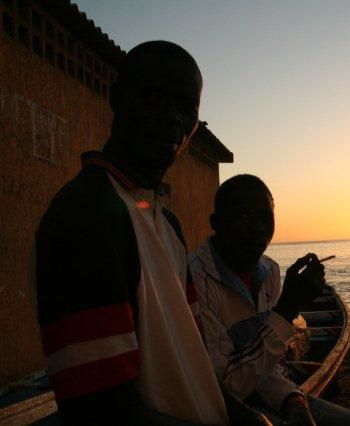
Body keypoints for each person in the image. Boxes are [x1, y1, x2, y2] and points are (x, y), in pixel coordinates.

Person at [36, 41, 249, 425]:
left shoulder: (168, 225)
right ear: (117, 99)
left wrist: (242, 414)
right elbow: (97, 411)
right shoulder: (86, 215)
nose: (172, 118)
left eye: (186, 109)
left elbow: (194, 363)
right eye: (153, 97)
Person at [189, 174, 350, 426]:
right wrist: (287, 309)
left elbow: (268, 366)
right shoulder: (195, 280)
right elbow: (226, 387)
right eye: (244, 216)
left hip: (266, 394)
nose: (258, 228)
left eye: (266, 218)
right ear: (216, 223)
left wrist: (293, 399)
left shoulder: (269, 271)